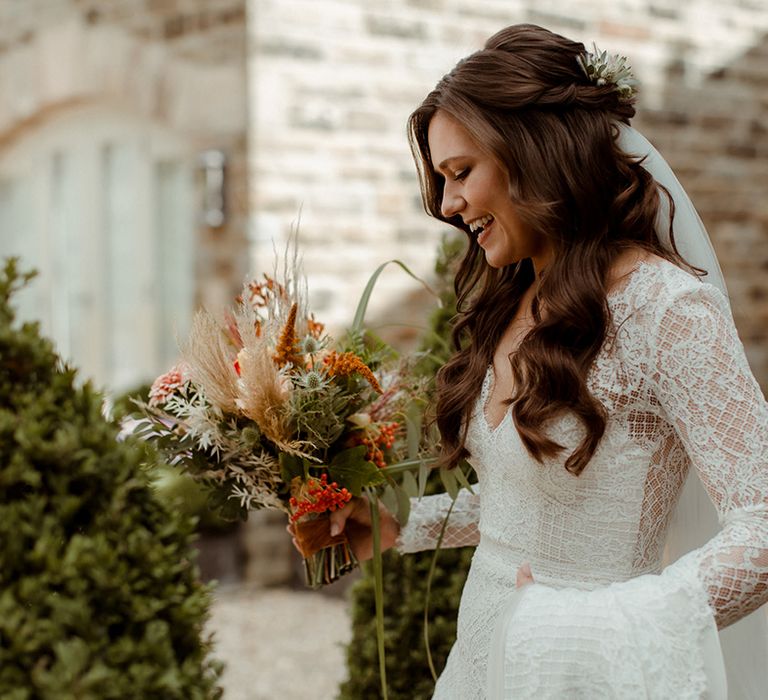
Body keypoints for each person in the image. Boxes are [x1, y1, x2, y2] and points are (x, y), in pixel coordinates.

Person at [327, 24, 768, 698]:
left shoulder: (667, 309)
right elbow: (525, 502)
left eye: (461, 172)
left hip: (589, 675)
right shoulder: (512, 301)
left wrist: (590, 631)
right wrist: (399, 526)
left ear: (533, 152)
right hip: (480, 663)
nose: (448, 206)